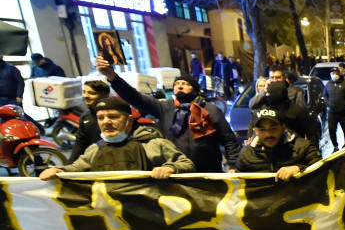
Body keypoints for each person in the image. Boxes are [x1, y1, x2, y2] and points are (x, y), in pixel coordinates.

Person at [97, 56, 240, 173]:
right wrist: (112, 76)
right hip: (175, 171)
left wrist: (233, 166)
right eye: (177, 84)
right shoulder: (164, 107)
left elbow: (229, 140)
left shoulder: (210, 110)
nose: (180, 86)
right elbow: (135, 97)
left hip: (209, 172)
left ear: (195, 90)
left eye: (185, 84)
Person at [39, 97, 194, 180]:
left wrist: (170, 168)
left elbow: (186, 164)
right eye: (101, 118)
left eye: (113, 117)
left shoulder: (153, 144)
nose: (106, 122)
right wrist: (59, 170)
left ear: (129, 121)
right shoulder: (94, 150)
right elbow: (76, 168)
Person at [68, 80, 110, 163]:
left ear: (105, 95)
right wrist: (68, 166)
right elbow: (80, 143)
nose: (85, 96)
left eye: (91, 93)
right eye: (84, 92)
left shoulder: (115, 114)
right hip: (94, 160)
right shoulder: (85, 116)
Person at [324, 67, 345, 152]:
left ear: (339, 73)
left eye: (336, 73)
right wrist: (328, 104)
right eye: (332, 73)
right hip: (332, 113)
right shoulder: (328, 84)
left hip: (343, 112)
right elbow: (325, 95)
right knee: (332, 130)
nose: (334, 75)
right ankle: (335, 146)